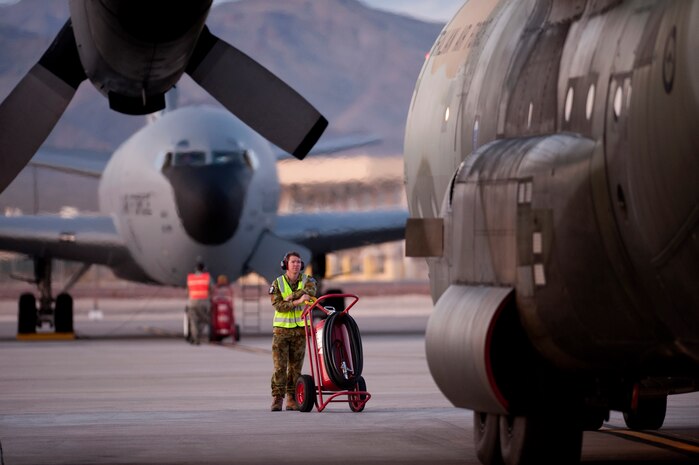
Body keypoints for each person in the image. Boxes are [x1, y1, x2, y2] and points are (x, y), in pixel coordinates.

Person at [268, 251, 316, 411]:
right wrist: (297, 302)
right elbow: (278, 306)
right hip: (281, 332)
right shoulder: (277, 283)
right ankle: (277, 398)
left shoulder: (308, 281)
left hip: (300, 331)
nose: (296, 264)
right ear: (286, 265)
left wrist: (290, 297)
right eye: (293, 262)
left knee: (295, 368)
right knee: (280, 367)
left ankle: (291, 399)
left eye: (298, 262)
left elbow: (310, 293)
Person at [186, 262, 212, 345]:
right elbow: (211, 289)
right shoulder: (207, 277)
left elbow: (187, 291)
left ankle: (195, 338)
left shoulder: (190, 278)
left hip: (192, 302)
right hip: (204, 302)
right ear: (204, 269)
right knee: (203, 320)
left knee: (194, 321)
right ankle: (197, 336)